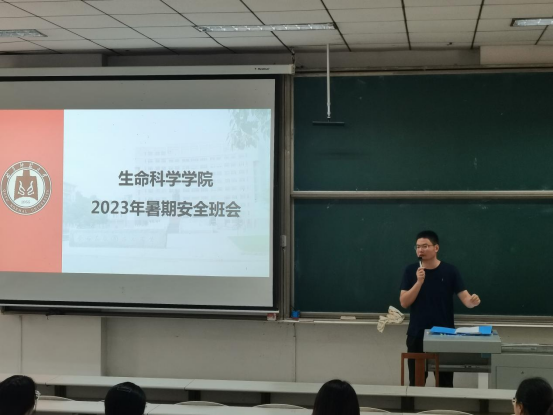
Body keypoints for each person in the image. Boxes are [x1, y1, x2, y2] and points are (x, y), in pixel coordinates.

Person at [399, 230, 481, 387]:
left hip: (444, 335)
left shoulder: (450, 271)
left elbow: (467, 300)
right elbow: (404, 302)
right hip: (417, 334)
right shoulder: (411, 271)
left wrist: (473, 302)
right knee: (416, 383)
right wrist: (419, 282)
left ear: (436, 248)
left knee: (445, 383)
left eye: (425, 246)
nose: (420, 250)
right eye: (417, 247)